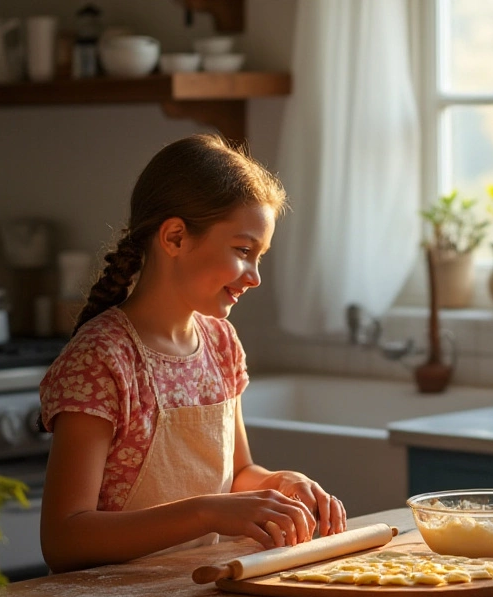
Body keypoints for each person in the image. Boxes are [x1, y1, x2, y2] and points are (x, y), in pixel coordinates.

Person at [39, 134, 347, 573]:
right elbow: (64, 538)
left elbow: (238, 474)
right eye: (243, 251)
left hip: (193, 590)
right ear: (176, 237)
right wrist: (206, 511)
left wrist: (276, 483)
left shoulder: (221, 344)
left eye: (259, 256)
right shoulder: (101, 359)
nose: (255, 277)